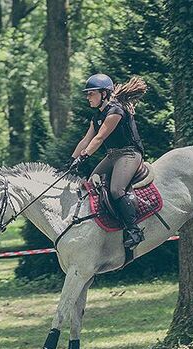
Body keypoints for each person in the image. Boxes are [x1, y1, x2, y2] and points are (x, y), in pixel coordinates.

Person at [66, 73, 147, 250]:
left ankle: (134, 230)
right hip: (112, 155)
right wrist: (71, 160)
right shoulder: (96, 117)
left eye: (91, 93)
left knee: (116, 189)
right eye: (87, 94)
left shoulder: (115, 112)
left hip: (129, 154)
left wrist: (84, 156)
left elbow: (99, 138)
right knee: (90, 184)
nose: (88, 97)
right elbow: (86, 140)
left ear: (104, 94)